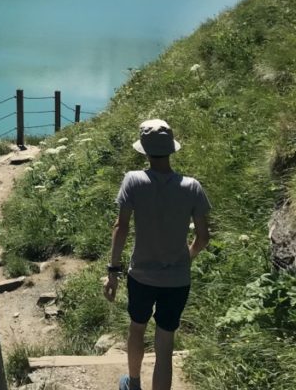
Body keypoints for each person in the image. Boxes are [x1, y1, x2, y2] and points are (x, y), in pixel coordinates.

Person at [103, 119, 211, 390]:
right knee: (165, 344)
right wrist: (187, 256)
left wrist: (113, 273)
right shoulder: (192, 187)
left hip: (141, 275)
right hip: (177, 280)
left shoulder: (134, 181)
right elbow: (203, 237)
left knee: (137, 328)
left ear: (145, 151)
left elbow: (121, 227)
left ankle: (134, 383)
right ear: (171, 149)